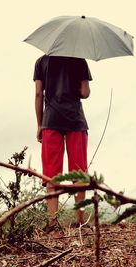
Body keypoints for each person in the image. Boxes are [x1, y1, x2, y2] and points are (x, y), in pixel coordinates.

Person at [33, 54, 92, 232]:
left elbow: (38, 94)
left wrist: (39, 124)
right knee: (79, 173)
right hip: (75, 120)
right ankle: (80, 221)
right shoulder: (79, 60)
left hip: (51, 121)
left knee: (51, 174)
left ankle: (52, 224)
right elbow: (85, 92)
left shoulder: (41, 61)